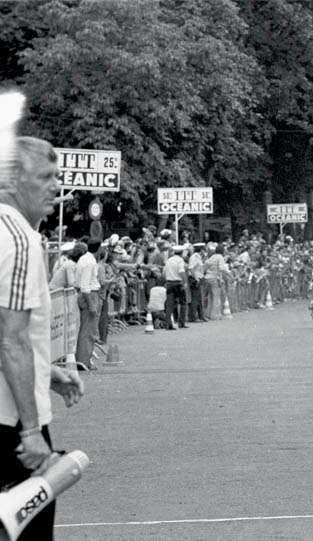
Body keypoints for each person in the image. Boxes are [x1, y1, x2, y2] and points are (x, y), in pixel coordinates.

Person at [0, 135, 84, 540]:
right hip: (10, 421)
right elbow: (11, 339)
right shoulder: (19, 239)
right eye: (45, 177)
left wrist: (45, 371)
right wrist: (31, 432)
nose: (56, 187)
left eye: (58, 176)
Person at [75, 238, 102, 370]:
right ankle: (84, 361)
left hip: (86, 294)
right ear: (99, 248)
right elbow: (85, 286)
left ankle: (83, 359)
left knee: (85, 329)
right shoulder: (90, 262)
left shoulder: (84, 259)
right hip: (89, 295)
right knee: (89, 331)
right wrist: (91, 305)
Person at [164, 245, 189, 330]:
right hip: (178, 283)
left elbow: (164, 272)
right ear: (181, 253)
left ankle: (168, 324)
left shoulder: (168, 260)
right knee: (183, 303)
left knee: (169, 304)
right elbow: (181, 271)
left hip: (169, 283)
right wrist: (185, 281)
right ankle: (181, 322)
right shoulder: (180, 260)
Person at [187, 243, 207, 323]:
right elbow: (191, 268)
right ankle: (193, 317)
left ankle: (201, 316)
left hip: (199, 278)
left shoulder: (199, 257)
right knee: (195, 299)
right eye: (204, 249)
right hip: (195, 279)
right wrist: (195, 278)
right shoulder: (194, 257)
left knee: (199, 298)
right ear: (201, 249)